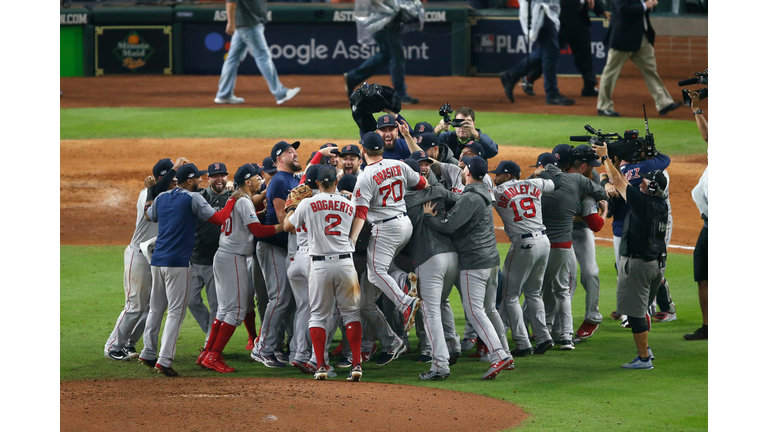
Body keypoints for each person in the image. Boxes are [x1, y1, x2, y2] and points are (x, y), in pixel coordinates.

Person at [138, 164, 242, 377]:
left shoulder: (162, 197)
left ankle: (148, 352)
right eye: (198, 179)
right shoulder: (193, 198)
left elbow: (149, 215)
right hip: (177, 262)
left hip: (157, 260)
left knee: (156, 308)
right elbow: (219, 219)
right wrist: (232, 200)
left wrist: (150, 192)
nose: (201, 182)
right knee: (176, 311)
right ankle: (164, 360)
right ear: (189, 181)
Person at [423, 156, 514, 380]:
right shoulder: (484, 192)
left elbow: (449, 225)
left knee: (475, 312)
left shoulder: (470, 197)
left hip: (474, 263)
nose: (462, 171)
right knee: (489, 310)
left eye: (464, 169)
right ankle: (505, 354)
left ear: (468, 173)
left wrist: (429, 218)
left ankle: (499, 355)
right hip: (492, 261)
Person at [198, 164, 284, 373]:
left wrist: (263, 213)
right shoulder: (243, 201)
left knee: (225, 310)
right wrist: (284, 225)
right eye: (257, 177)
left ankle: (207, 353)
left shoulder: (236, 198)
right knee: (235, 312)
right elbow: (257, 230)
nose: (260, 180)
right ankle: (214, 355)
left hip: (225, 256)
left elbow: (248, 220)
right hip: (233, 258)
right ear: (247, 181)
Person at [285, 165, 364, 381]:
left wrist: (292, 208)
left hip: (319, 265)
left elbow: (287, 227)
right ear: (335, 183)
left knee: (318, 316)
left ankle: (320, 366)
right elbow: (359, 219)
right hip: (346, 264)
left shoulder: (307, 203)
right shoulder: (348, 204)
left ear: (318, 183)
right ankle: (356, 364)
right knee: (351, 315)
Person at [592, 142, 668, 369]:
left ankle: (644, 358)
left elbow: (618, 183)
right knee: (643, 309)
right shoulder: (660, 204)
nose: (641, 181)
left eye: (645, 180)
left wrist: (606, 158)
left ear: (651, 187)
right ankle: (647, 350)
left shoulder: (642, 202)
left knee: (635, 313)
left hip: (638, 264)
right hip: (655, 265)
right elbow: (621, 183)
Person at [103, 158, 182, 361]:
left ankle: (129, 344)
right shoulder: (146, 194)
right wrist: (175, 168)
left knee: (151, 307)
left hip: (155, 258)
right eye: (171, 179)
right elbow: (157, 195)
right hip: (138, 256)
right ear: (160, 179)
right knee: (135, 305)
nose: (175, 182)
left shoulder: (172, 196)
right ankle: (113, 346)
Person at [349, 132, 427, 335]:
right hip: (405, 225)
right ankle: (402, 280)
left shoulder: (365, 176)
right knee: (385, 263)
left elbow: (361, 212)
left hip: (386, 229)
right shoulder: (399, 165)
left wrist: (352, 240)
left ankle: (405, 303)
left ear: (363, 151)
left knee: (375, 273)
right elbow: (422, 184)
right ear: (382, 148)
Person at [536, 145, 607, 350]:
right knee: (565, 281)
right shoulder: (555, 176)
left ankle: (592, 317)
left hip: (580, 230)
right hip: (558, 234)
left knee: (590, 272)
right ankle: (554, 328)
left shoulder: (589, 177)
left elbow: (596, 217)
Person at [490, 160, 556, 356]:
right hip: (544, 242)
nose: (495, 177)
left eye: (499, 174)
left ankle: (523, 343)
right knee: (534, 293)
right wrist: (533, 178)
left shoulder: (499, 191)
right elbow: (552, 184)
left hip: (523, 245)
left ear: (508, 176)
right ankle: (544, 338)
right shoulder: (534, 184)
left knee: (510, 296)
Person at [251, 141, 303, 368]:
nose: (295, 153)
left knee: (288, 300)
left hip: (285, 248)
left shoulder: (293, 179)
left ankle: (276, 347)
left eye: (295, 150)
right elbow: (284, 220)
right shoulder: (280, 180)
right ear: (278, 160)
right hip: (272, 246)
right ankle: (262, 348)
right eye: (289, 152)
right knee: (280, 298)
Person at [596, 0, 681, 117]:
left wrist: (649, 4)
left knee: (650, 71)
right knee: (611, 73)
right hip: (622, 38)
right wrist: (645, 5)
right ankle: (603, 106)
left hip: (641, 37)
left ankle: (664, 102)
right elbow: (623, 9)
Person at [214, 0, 300, 105]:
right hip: (249, 25)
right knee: (263, 57)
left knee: (232, 59)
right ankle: (280, 93)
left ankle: (224, 94)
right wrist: (231, 22)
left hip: (247, 23)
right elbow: (230, 2)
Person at [522, 0, 611, 97]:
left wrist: (602, 10)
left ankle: (589, 86)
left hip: (579, 20)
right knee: (549, 54)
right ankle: (529, 77)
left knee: (584, 55)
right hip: (561, 21)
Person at [187, 163, 233, 343]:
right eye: (215, 175)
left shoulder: (233, 197)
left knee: (217, 305)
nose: (219, 179)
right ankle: (210, 332)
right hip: (196, 257)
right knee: (190, 300)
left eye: (223, 175)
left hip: (217, 262)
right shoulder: (199, 197)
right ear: (208, 179)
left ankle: (210, 342)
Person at [343, 0, 420, 104]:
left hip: (386, 23)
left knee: (385, 55)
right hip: (384, 24)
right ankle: (400, 94)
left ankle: (353, 78)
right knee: (397, 57)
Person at [500, 0, 575, 106]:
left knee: (548, 51)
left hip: (548, 9)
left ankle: (512, 75)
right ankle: (552, 93)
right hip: (540, 10)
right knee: (551, 52)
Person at [684, 90, 708, 341]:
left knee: (704, 274)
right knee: (703, 274)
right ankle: (708, 326)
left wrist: (696, 108)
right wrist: (697, 109)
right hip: (708, 227)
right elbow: (708, 135)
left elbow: (708, 135)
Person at [433, 107, 499, 160]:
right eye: (458, 122)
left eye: (467, 123)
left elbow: (493, 151)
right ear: (454, 124)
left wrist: (476, 135)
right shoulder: (447, 137)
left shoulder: (479, 139)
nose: (462, 127)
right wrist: (437, 129)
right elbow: (425, 144)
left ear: (473, 124)